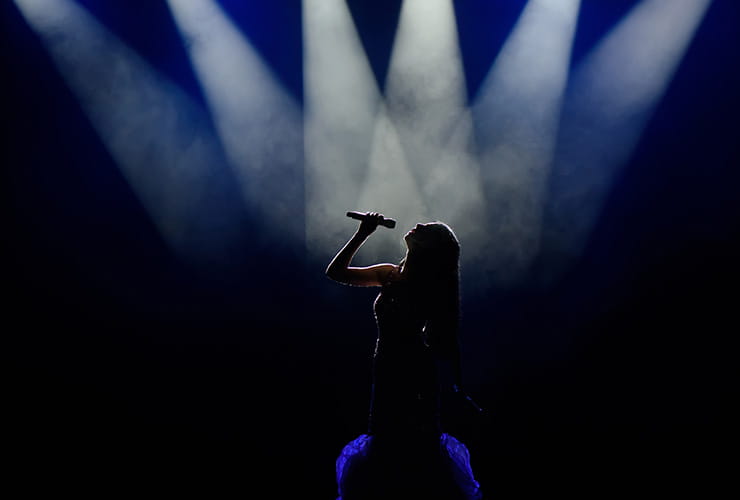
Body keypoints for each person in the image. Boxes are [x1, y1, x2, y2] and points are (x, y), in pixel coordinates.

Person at [326, 212, 482, 500]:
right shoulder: (389, 275)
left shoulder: (432, 288)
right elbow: (336, 273)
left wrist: (460, 388)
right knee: (384, 441)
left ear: (431, 249)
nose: (419, 224)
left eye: (428, 230)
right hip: (386, 371)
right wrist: (363, 233)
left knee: (412, 445)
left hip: (413, 376)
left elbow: (448, 341)